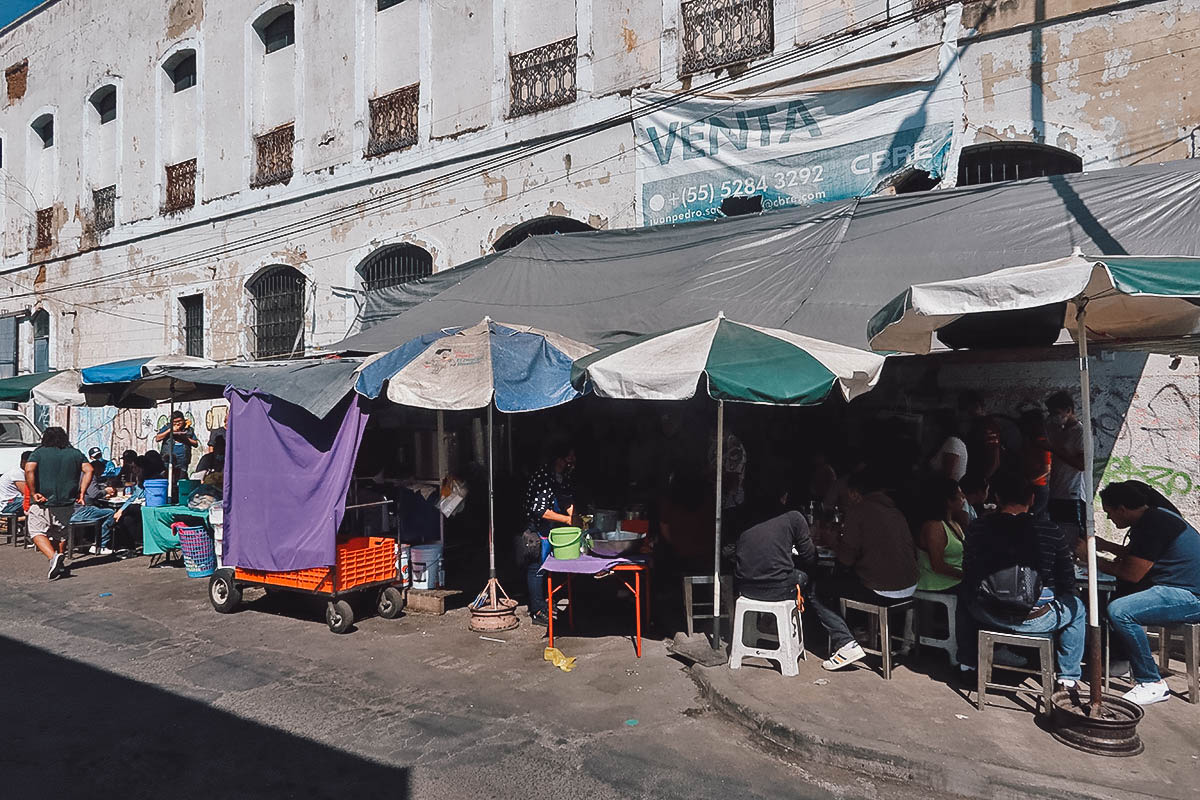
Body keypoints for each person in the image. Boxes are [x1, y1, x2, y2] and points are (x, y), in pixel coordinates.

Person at [960, 470, 1085, 689]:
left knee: (964, 594)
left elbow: (969, 570)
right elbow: (1067, 580)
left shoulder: (978, 527)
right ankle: (1068, 679)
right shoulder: (1050, 531)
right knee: (1079, 609)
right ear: (1032, 499)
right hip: (1037, 618)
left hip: (987, 613)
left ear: (996, 498)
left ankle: (967, 666)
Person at [1097, 481, 1200, 705]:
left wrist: (1092, 560)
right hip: (1180, 587)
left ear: (1122, 509)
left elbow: (1131, 572)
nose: (1109, 519)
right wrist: (1106, 545)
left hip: (1191, 596)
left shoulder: (1153, 524)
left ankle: (1151, 682)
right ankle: (1126, 662)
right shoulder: (1155, 516)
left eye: (1109, 513)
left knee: (1120, 610)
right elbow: (1139, 555)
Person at [821, 467, 919, 670]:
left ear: (855, 493)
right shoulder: (896, 511)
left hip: (883, 590)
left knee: (820, 589)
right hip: (910, 588)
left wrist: (833, 541)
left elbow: (846, 560)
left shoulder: (860, 510)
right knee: (850, 581)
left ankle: (845, 642)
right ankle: (860, 630)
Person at [521, 441, 576, 626]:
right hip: (536, 528)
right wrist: (567, 520)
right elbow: (539, 510)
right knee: (536, 569)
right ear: (559, 458)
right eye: (569, 457)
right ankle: (537, 610)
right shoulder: (543, 477)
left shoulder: (562, 476)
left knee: (548, 568)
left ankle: (545, 602)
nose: (572, 460)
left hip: (551, 528)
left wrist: (573, 517)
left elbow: (567, 499)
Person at [25, 427, 92, 580]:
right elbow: (89, 470)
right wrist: (82, 492)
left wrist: (34, 491)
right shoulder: (74, 453)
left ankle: (53, 557)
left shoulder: (39, 452)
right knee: (60, 534)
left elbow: (29, 470)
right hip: (66, 502)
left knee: (36, 532)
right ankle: (59, 563)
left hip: (43, 501)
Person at [1045, 390, 1086, 549]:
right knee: (1058, 533)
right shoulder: (1059, 430)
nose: (1053, 416)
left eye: (1056, 412)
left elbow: (1082, 464)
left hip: (1072, 492)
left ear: (1069, 410)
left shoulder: (1079, 432)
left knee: (1073, 535)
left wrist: (1053, 449)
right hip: (1056, 489)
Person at [916, 476, 966, 592]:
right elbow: (938, 566)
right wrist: (967, 576)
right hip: (938, 585)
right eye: (960, 495)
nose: (964, 498)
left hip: (955, 581)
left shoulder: (953, 523)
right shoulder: (934, 527)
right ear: (948, 501)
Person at [70, 473, 119, 555]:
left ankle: (90, 540)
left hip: (71, 510)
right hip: (81, 510)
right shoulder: (89, 475)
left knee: (99, 511)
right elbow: (94, 494)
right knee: (111, 513)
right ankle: (101, 545)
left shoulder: (74, 474)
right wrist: (105, 491)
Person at [1018, 410, 1052, 520]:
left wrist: (1029, 480)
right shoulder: (1030, 442)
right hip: (1033, 485)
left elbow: (1046, 469)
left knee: (1035, 516)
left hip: (1038, 486)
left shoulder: (1042, 442)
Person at [928, 409, 968, 482]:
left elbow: (947, 475)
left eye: (933, 425)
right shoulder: (945, 442)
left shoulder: (953, 442)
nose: (930, 428)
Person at [155, 411, 198, 478]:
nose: (177, 423)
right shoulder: (167, 427)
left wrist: (185, 438)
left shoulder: (189, 429)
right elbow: (158, 438)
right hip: (168, 459)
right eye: (175, 422)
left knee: (181, 477)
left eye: (180, 421)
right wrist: (170, 430)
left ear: (183, 420)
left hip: (183, 460)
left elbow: (195, 443)